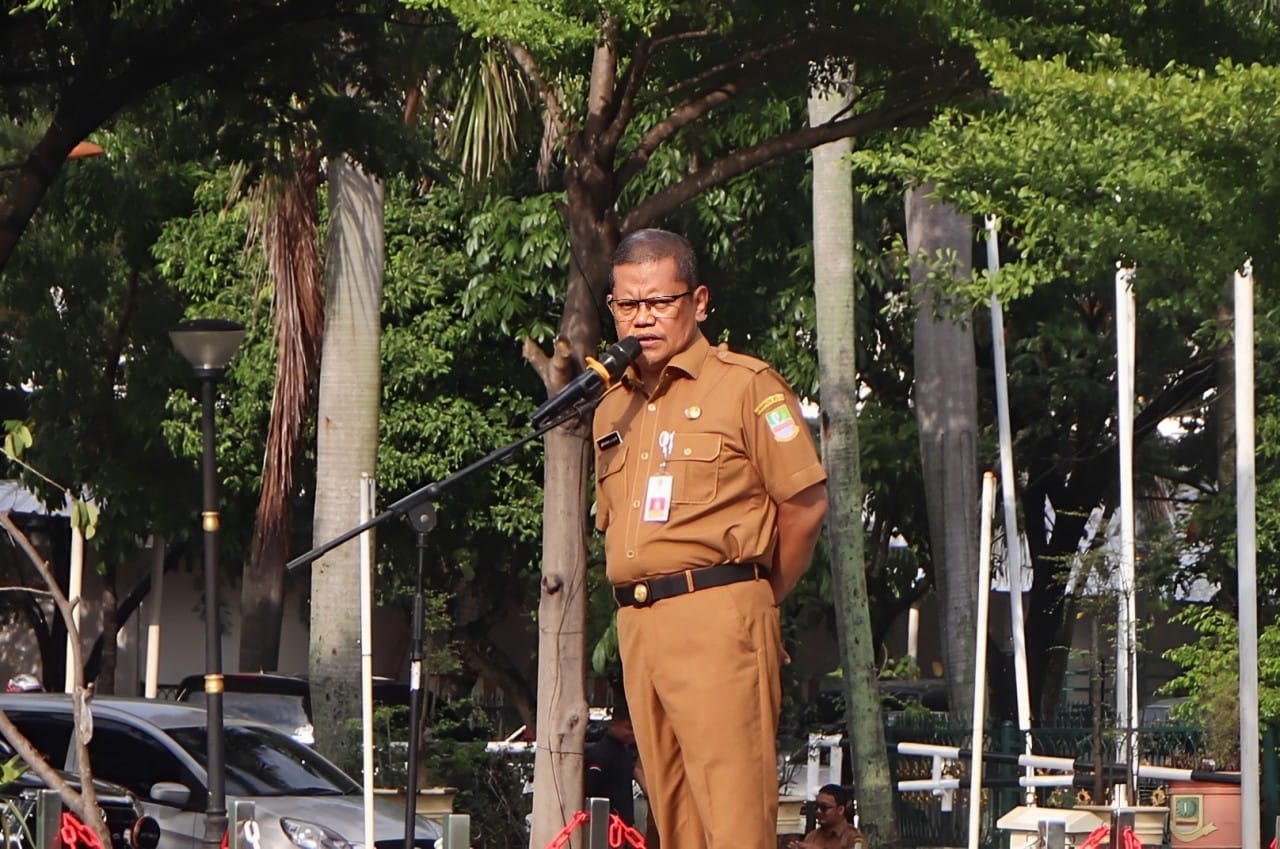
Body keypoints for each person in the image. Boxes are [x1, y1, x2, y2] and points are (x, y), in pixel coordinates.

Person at [591, 228, 829, 849]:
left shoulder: (746, 386)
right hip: (640, 624)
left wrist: (759, 598)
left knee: (732, 817)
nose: (641, 318)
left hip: (720, 612)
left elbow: (804, 506)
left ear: (697, 302)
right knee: (675, 817)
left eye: (659, 302)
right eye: (626, 304)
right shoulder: (611, 406)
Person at [583, 705, 647, 826]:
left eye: (636, 729)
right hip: (605, 824)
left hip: (624, 824)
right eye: (628, 728)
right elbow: (590, 790)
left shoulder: (626, 752)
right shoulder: (600, 754)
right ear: (613, 724)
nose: (633, 734)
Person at [787, 784, 864, 849]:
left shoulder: (853, 837)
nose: (818, 811)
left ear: (840, 810)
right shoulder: (813, 836)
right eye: (816, 806)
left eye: (824, 807)